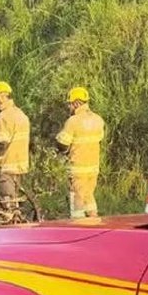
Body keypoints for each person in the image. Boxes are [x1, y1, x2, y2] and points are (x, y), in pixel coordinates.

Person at [56, 87, 104, 219]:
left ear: (76, 103)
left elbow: (63, 144)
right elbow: (99, 139)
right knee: (89, 195)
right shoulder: (98, 120)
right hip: (93, 168)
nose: (69, 107)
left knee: (76, 197)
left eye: (70, 104)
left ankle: (77, 225)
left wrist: (62, 149)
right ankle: (94, 221)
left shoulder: (73, 121)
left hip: (78, 168)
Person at [0, 81, 30, 211]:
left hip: (7, 169)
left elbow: (1, 144)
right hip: (20, 168)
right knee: (16, 204)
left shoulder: (3, 117)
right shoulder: (21, 115)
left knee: (8, 207)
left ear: (1, 97)